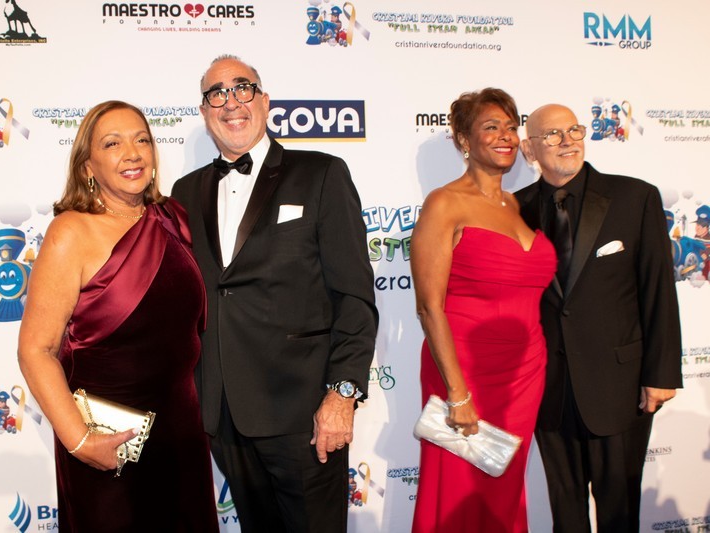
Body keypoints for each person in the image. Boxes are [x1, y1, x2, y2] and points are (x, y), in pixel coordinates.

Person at [171, 55, 378, 533]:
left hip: (304, 412)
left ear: (265, 102)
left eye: (242, 88)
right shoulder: (184, 192)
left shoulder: (321, 174)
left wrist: (342, 394)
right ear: (204, 112)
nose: (231, 103)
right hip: (223, 414)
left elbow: (354, 296)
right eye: (216, 94)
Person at [17, 100, 218, 532]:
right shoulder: (71, 231)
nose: (132, 153)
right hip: (107, 443)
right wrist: (80, 441)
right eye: (112, 143)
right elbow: (37, 350)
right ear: (88, 165)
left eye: (141, 140)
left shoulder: (174, 218)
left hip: (182, 434)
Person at [516, 103, 683, 532]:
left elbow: (658, 290)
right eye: (552, 135)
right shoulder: (514, 209)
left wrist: (661, 374)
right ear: (529, 149)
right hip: (549, 390)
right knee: (565, 513)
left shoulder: (634, 197)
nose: (567, 141)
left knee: (619, 514)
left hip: (620, 387)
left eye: (574, 130)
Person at [410, 88, 556, 532]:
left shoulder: (523, 205)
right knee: (458, 493)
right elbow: (428, 307)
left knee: (505, 492)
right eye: (491, 127)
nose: (505, 136)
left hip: (524, 375)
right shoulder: (445, 202)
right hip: (465, 372)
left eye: (511, 127)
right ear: (464, 140)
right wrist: (458, 393)